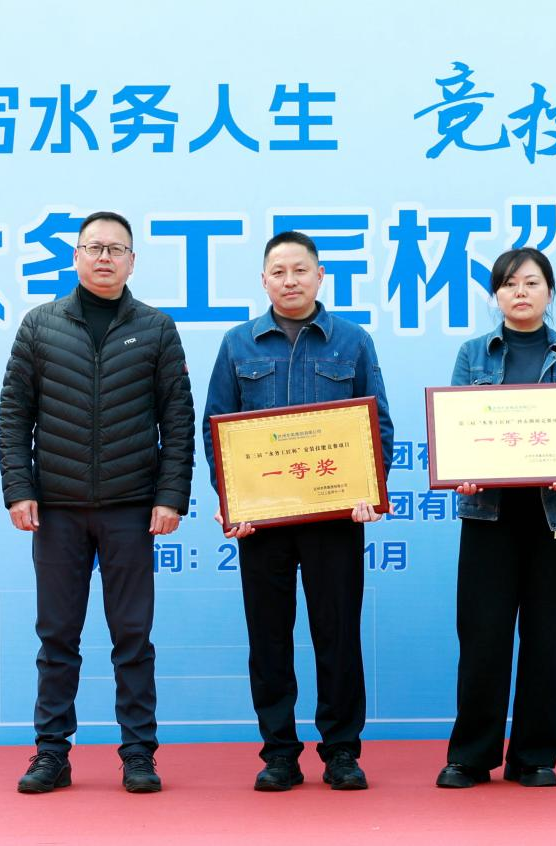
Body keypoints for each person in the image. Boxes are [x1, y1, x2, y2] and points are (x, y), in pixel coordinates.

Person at [0, 210, 195, 794]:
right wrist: (19, 489)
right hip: (57, 509)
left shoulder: (156, 329)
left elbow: (177, 420)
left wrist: (170, 497)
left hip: (131, 508)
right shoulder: (40, 326)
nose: (105, 257)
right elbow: (14, 416)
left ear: (133, 261)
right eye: (94, 247)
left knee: (132, 636)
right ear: (76, 256)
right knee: (57, 637)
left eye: (116, 249)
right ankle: (51, 753)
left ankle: (138, 754)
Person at [202, 231, 393, 792]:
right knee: (269, 638)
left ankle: (341, 751)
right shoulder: (238, 344)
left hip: (335, 519)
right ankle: (279, 752)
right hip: (262, 522)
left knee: (339, 635)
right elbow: (216, 429)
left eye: (300, 270)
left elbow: (377, 425)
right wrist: (231, 501)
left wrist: (370, 489)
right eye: (279, 272)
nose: (290, 280)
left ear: (320, 276)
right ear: (264, 280)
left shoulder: (352, 342)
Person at [435, 248, 556, 790]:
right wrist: (462, 470)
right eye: (508, 284)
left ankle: (533, 755)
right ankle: (471, 755)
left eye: (530, 282)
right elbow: (459, 427)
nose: (519, 292)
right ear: (495, 295)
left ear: (549, 291)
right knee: (482, 636)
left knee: (543, 637)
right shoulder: (473, 353)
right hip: (490, 513)